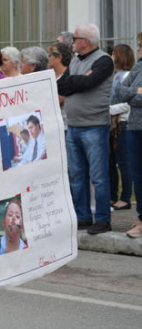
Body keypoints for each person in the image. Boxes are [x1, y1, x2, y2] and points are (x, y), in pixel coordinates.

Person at [57, 23, 114, 235]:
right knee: (77, 175)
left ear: (86, 41)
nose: (72, 41)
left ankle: (102, 219)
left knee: (98, 176)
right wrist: (76, 81)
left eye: (75, 38)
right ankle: (82, 216)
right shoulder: (74, 61)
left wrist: (75, 82)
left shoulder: (104, 60)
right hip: (73, 127)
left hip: (94, 126)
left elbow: (90, 82)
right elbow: (62, 84)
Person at [115, 35, 142, 238]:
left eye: (141, 46)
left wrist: (132, 94)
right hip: (133, 127)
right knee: (137, 176)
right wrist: (137, 91)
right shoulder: (138, 67)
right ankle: (141, 221)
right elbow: (119, 92)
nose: (138, 49)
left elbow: (129, 96)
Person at [109, 44, 134, 211]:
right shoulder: (115, 76)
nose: (111, 57)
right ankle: (112, 196)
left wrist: (107, 110)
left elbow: (127, 103)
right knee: (111, 162)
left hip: (122, 123)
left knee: (124, 163)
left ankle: (125, 198)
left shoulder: (127, 76)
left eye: (113, 54)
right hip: (113, 123)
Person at [48, 41, 73, 130]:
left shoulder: (70, 76)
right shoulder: (50, 77)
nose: (48, 58)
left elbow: (63, 99)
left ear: (59, 57)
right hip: (53, 127)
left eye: (50, 55)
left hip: (66, 126)